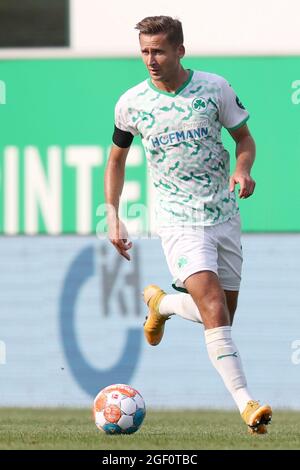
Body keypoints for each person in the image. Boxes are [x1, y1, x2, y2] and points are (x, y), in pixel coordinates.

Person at [104, 15, 272, 434]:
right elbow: (116, 159)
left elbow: (244, 139)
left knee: (221, 315)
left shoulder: (214, 88)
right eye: (144, 51)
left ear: (180, 49)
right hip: (179, 220)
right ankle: (246, 403)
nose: (150, 59)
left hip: (225, 215)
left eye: (158, 50)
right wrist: (112, 212)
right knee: (213, 308)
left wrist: (243, 169)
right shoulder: (131, 104)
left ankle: (161, 304)